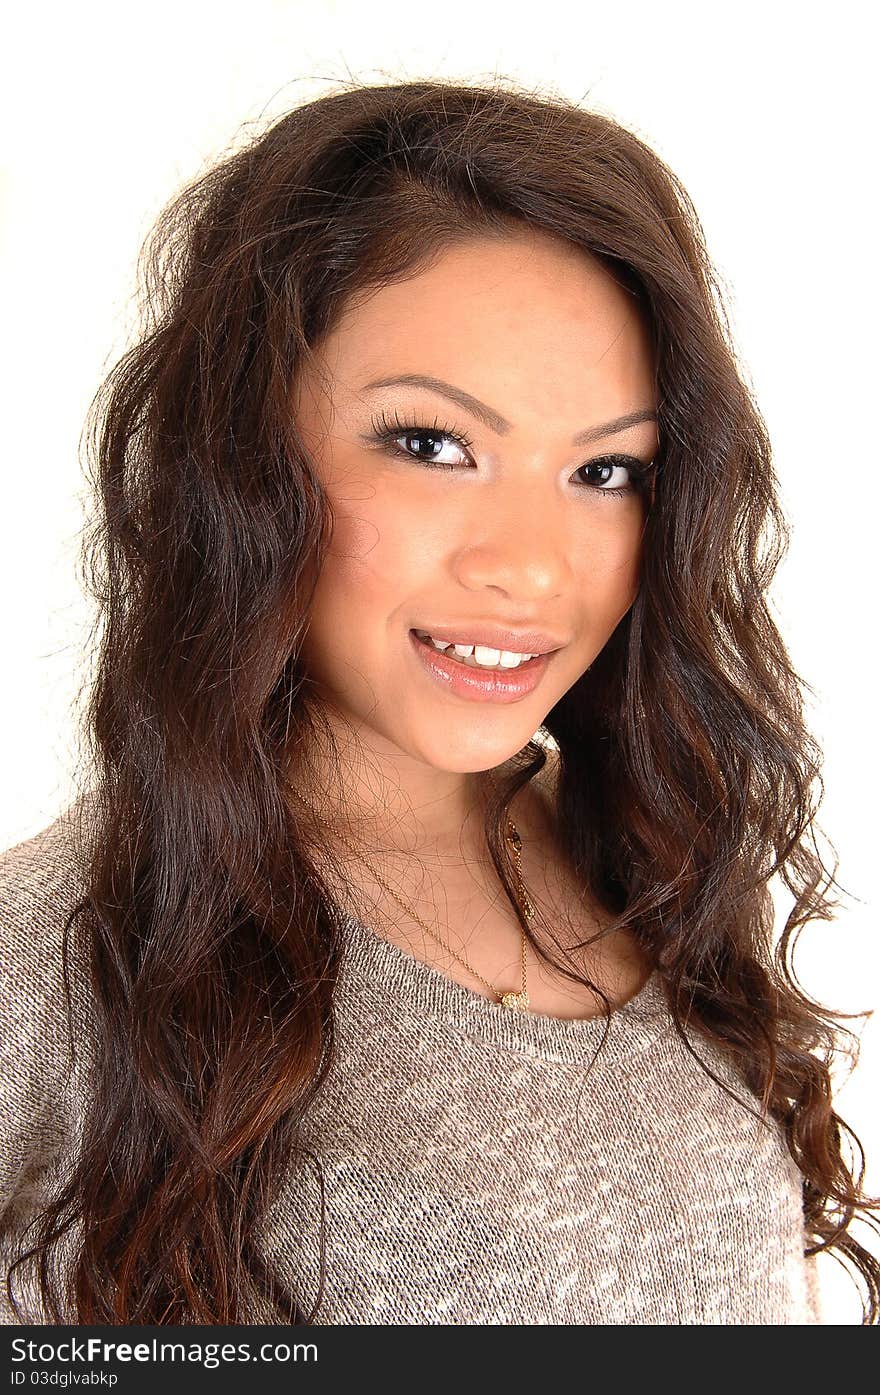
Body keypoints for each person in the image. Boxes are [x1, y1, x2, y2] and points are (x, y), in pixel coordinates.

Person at [1, 77, 877, 1327]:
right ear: (246, 456)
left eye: (605, 469)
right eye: (429, 444)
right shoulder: (58, 952)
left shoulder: (657, 855)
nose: (528, 563)